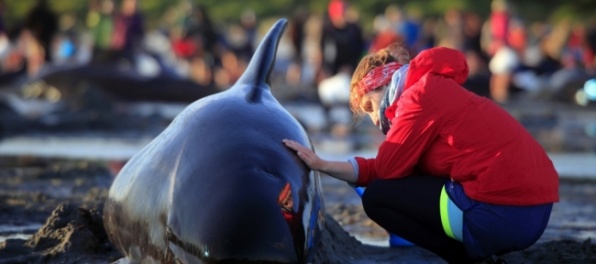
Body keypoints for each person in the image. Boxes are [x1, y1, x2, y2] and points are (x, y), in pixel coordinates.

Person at [282, 43, 559, 263]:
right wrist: (320, 164)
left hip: (502, 216)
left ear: (381, 85)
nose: (374, 120)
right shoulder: (432, 87)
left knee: (378, 198)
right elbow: (385, 167)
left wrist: (329, 166)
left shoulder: (418, 96)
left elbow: (386, 171)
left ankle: (464, 259)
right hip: (534, 213)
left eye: (368, 106)